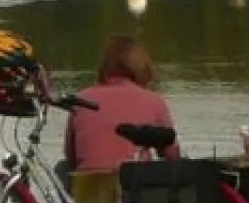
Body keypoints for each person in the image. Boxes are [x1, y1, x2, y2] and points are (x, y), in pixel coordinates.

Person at [63, 35, 182, 178]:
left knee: (61, 168)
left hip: (89, 189)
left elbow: (71, 156)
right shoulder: (154, 100)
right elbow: (172, 156)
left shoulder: (81, 99)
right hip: (135, 188)